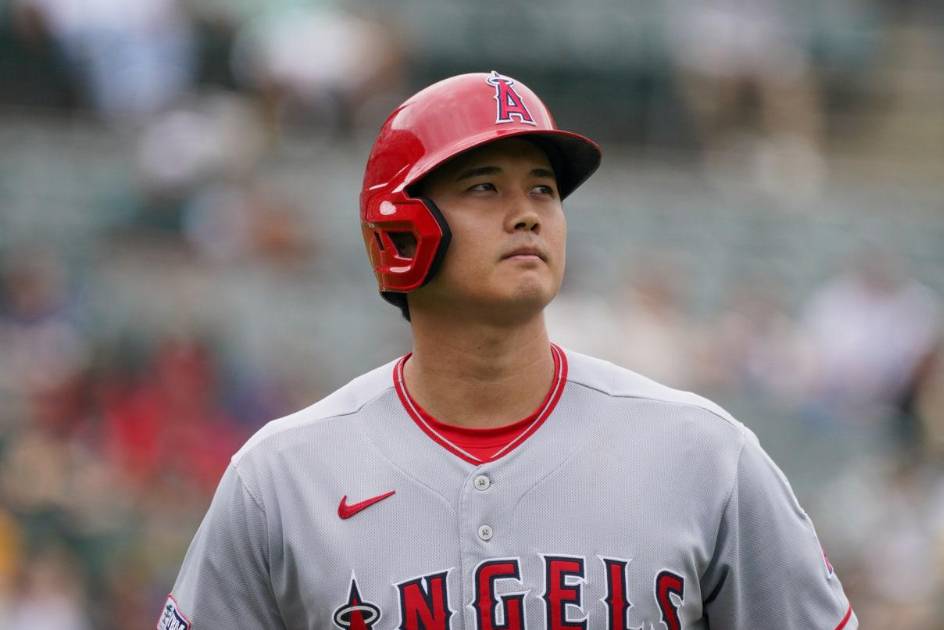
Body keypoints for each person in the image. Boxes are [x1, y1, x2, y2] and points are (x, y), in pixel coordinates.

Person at [163, 71, 857, 630]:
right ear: (398, 231)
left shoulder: (705, 454)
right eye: (484, 186)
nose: (527, 213)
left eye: (544, 189)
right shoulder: (282, 479)